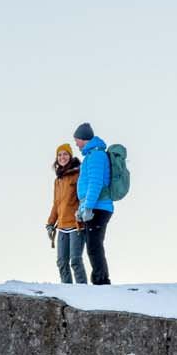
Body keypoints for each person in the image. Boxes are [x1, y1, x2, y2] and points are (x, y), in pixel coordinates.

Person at [71, 122, 115, 284]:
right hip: (94, 206)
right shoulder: (91, 155)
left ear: (83, 138)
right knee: (92, 245)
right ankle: (99, 279)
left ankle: (102, 281)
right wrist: (82, 208)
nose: (75, 143)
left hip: (99, 207)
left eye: (76, 139)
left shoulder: (96, 155)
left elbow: (95, 183)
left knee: (94, 245)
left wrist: (88, 207)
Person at [45, 143, 86, 283]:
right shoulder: (58, 180)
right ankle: (67, 292)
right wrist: (50, 223)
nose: (62, 157)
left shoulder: (78, 174)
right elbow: (56, 204)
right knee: (62, 263)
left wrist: (81, 213)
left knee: (75, 261)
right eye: (60, 155)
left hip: (76, 224)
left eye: (65, 154)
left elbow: (82, 197)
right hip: (62, 226)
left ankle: (83, 290)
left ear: (70, 156)